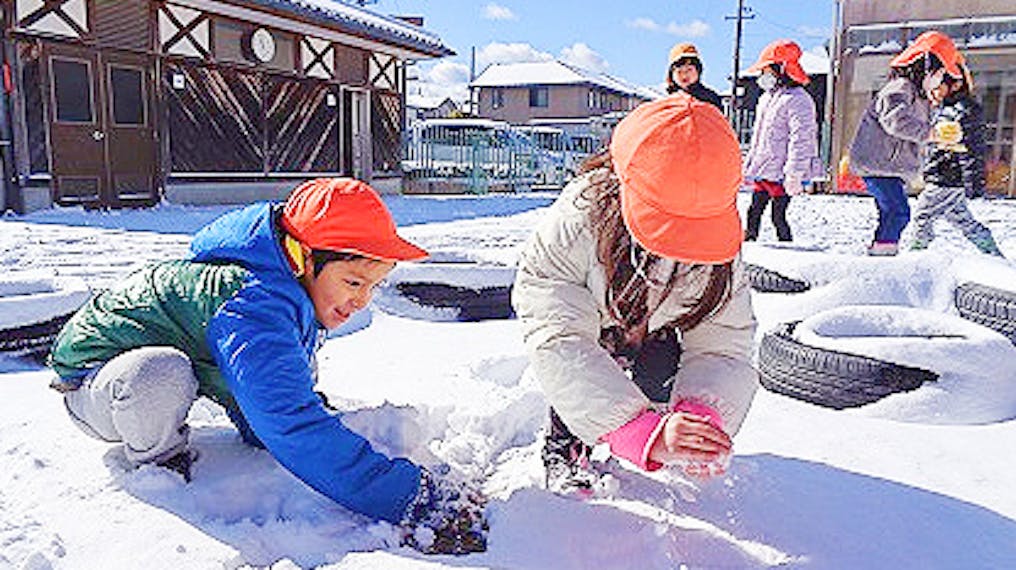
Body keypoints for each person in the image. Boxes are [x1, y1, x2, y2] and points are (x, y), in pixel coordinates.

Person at [47, 178, 488, 554]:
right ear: (302, 258)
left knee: (273, 384)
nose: (362, 300)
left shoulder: (284, 287)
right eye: (354, 282)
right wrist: (408, 497)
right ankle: (158, 461)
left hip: (153, 371)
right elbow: (289, 424)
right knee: (161, 374)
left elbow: (273, 398)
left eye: (374, 286)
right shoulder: (253, 304)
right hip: (95, 385)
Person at [512, 93, 759, 496]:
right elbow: (559, 337)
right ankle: (564, 451)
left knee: (659, 378)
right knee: (590, 368)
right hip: (599, 321)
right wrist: (628, 427)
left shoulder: (722, 251)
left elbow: (724, 343)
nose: (678, 247)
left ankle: (654, 417)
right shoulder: (578, 220)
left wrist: (700, 416)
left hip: (663, 325)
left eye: (694, 231)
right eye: (666, 226)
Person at [900, 33, 1004, 257]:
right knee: (963, 221)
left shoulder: (964, 111)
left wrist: (974, 181)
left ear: (955, 84)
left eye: (938, 86)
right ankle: (993, 253)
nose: (933, 91)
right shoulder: (945, 109)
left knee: (922, 217)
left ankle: (914, 257)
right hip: (945, 176)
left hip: (946, 178)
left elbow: (972, 148)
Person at [848, 37, 934, 256]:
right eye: (937, 75)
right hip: (878, 164)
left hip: (889, 165)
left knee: (890, 213)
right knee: (899, 212)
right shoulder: (899, 87)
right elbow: (895, 121)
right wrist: (929, 133)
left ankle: (880, 251)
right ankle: (883, 253)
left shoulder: (919, 96)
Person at [742, 39, 821, 242]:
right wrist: (750, 165)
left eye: (766, 71)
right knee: (753, 212)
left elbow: (802, 139)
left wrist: (795, 172)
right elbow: (758, 137)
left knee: (778, 216)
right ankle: (748, 247)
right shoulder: (766, 99)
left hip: (781, 174)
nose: (762, 77)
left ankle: (788, 251)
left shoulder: (799, 100)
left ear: (782, 70)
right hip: (764, 171)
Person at [666, 42, 723, 110]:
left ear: (698, 71)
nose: (684, 75)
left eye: (689, 70)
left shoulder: (710, 99)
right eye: (679, 72)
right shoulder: (665, 101)